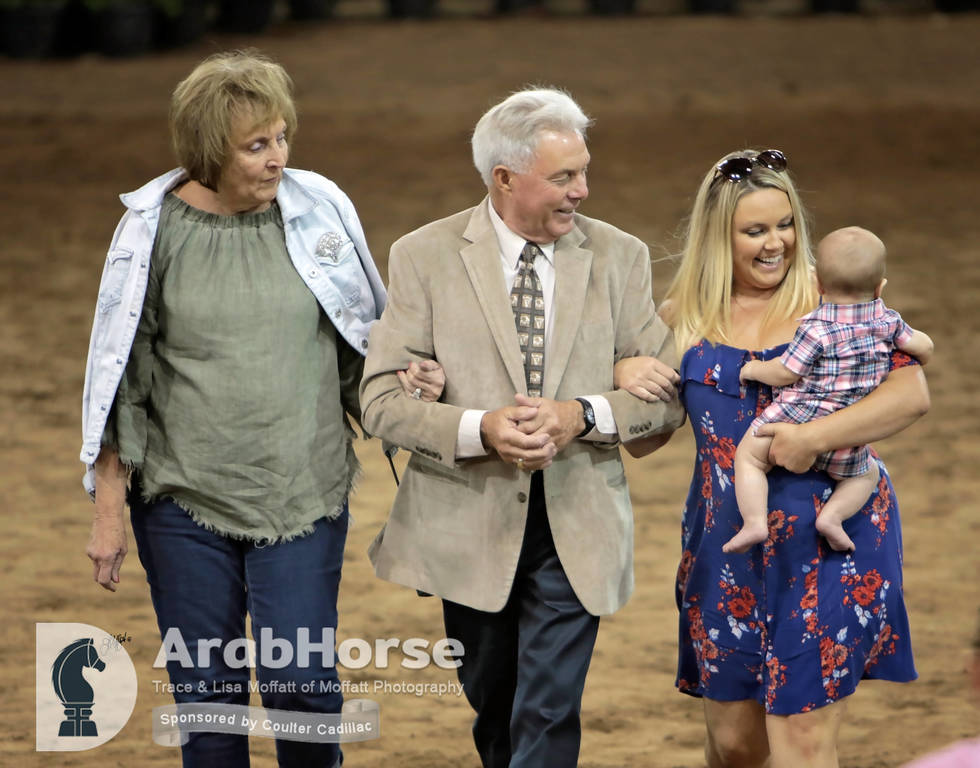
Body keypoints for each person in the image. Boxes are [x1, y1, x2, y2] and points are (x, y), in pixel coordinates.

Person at [358, 87, 684, 768]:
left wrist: (582, 414)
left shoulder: (619, 257)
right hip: (467, 523)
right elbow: (381, 403)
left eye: (584, 172)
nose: (584, 191)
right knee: (496, 705)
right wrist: (482, 429)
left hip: (578, 519)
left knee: (547, 708)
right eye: (564, 177)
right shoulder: (424, 255)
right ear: (504, 179)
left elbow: (666, 400)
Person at [80, 50, 387, 768]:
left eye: (282, 137)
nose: (277, 158)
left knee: (303, 686)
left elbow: (357, 343)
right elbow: (121, 376)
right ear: (209, 151)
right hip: (184, 499)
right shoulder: (152, 233)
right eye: (256, 145)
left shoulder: (320, 210)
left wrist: (416, 411)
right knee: (209, 701)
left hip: (302, 491)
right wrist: (107, 514)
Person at [615, 149, 929, 768]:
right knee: (736, 747)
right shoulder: (681, 319)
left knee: (802, 744)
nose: (775, 244)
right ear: (717, 238)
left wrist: (813, 438)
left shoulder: (831, 294)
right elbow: (643, 440)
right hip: (726, 543)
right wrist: (628, 371)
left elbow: (911, 392)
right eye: (755, 231)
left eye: (784, 225)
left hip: (831, 535)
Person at [726, 226, 934, 554]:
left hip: (799, 416)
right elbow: (923, 345)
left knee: (749, 458)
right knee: (865, 476)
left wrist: (752, 370)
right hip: (847, 433)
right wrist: (917, 351)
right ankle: (833, 517)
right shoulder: (888, 321)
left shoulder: (815, 328)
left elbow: (786, 372)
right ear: (880, 288)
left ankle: (754, 521)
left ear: (819, 285)